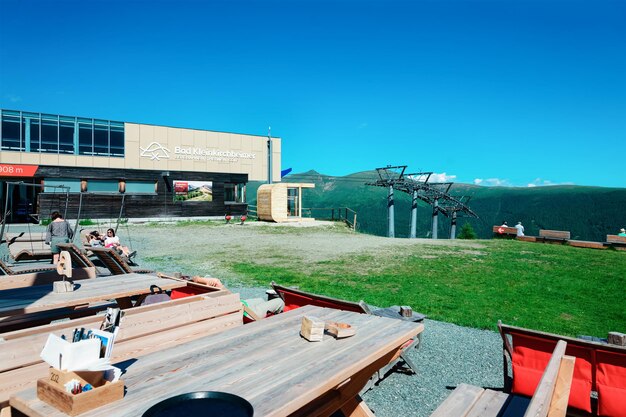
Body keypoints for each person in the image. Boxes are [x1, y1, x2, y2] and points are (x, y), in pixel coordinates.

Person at [193, 276, 284, 318]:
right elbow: (215, 281)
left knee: (261, 299)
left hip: (242, 304)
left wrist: (200, 280)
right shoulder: (217, 288)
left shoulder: (209, 291)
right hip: (247, 313)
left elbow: (195, 278)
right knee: (280, 301)